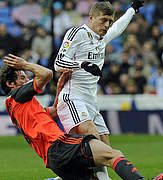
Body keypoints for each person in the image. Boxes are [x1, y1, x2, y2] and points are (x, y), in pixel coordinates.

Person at [0, 54, 163, 180]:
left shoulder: (22, 108)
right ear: (10, 84)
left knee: (96, 178)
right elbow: (46, 74)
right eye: (23, 77)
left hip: (54, 161)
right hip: (60, 146)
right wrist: (25, 64)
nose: (28, 79)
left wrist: (61, 88)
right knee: (112, 154)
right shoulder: (16, 96)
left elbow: (53, 111)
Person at [54, 1, 144, 179]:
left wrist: (132, 10)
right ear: (91, 18)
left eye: (109, 21)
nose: (107, 25)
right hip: (72, 97)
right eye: (103, 20)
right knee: (94, 140)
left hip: (91, 102)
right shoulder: (77, 33)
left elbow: (118, 27)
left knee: (105, 146)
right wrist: (82, 64)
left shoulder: (101, 38)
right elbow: (58, 63)